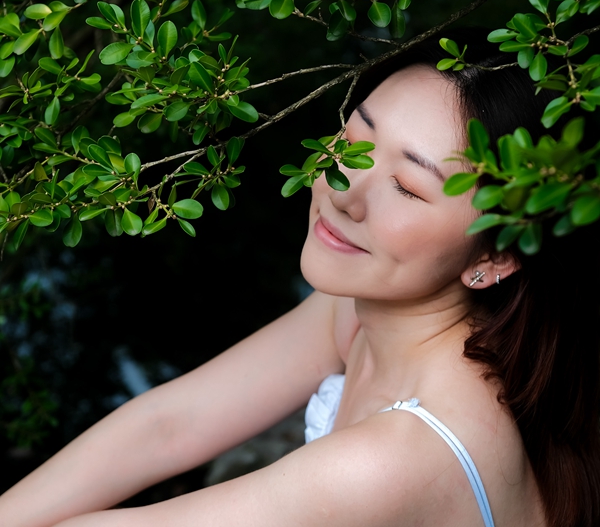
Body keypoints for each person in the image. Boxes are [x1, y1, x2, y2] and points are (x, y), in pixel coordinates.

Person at [1, 33, 599, 527]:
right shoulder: (367, 316)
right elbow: (167, 428)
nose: (343, 191)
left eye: (407, 187)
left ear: (495, 254)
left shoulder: (400, 458)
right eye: (354, 142)